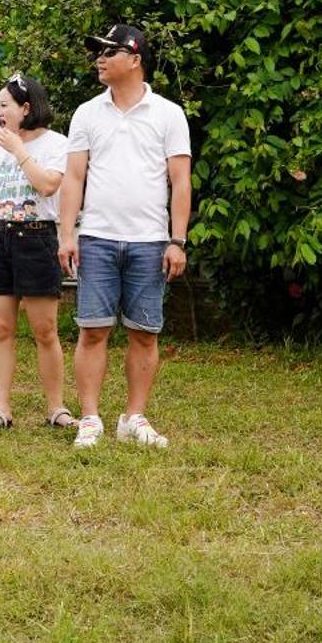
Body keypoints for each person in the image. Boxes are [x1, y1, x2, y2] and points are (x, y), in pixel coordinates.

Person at [59, 24, 190, 451]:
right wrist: (67, 233)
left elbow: (180, 180)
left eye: (108, 52)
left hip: (151, 241)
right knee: (92, 331)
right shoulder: (86, 113)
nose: (99, 59)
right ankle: (90, 418)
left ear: (135, 59)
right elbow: (74, 177)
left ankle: (134, 417)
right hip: (96, 236)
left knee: (145, 333)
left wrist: (178, 240)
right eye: (97, 51)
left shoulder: (168, 113)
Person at [0, 73, 74, 430]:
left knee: (44, 330)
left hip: (37, 239)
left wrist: (19, 152)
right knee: (0, 328)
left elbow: (48, 185)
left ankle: (57, 408)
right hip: (0, 239)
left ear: (26, 108)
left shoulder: (56, 144)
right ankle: (1, 408)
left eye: (5, 105)